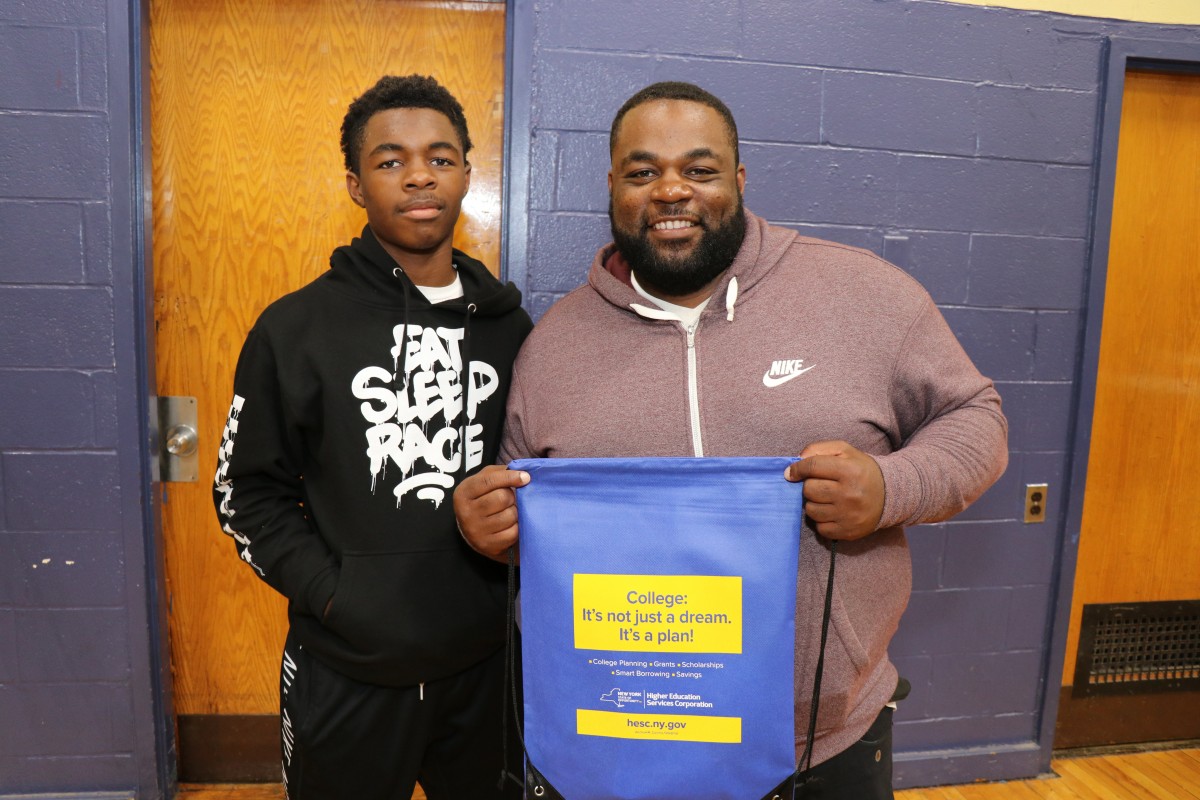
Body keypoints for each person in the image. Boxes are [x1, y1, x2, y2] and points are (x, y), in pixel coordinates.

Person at [453, 81, 1008, 799]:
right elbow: (521, 501)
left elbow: (977, 417)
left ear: (739, 180)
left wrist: (889, 488)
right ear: (613, 187)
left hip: (823, 738)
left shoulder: (866, 295)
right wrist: (491, 525)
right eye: (643, 171)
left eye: (700, 169)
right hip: (621, 736)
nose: (671, 190)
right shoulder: (553, 345)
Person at [213, 74, 532, 800]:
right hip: (345, 672)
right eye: (391, 161)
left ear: (465, 176)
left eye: (440, 157)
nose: (419, 174)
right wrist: (333, 596)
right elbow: (244, 490)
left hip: (486, 668)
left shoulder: (513, 329)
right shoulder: (295, 328)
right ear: (356, 185)